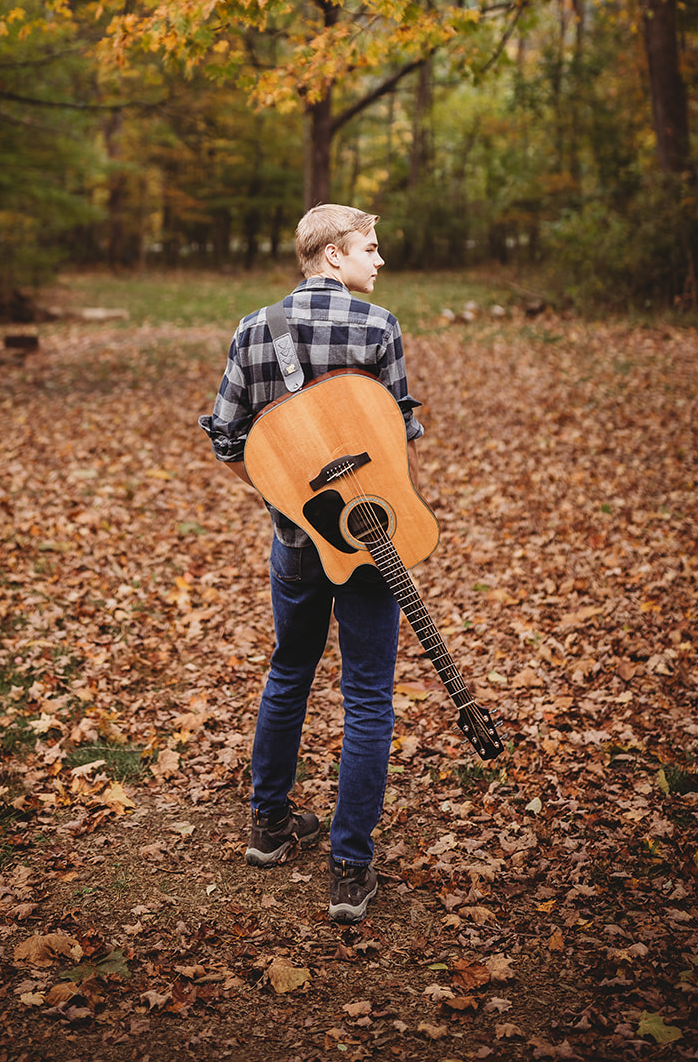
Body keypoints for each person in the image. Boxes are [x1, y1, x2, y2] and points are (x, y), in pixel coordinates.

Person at [199, 204, 424, 923]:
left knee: (290, 671)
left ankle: (268, 829)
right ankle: (349, 869)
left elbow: (228, 441)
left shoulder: (251, 329)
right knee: (366, 698)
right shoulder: (376, 327)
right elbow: (400, 435)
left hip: (295, 544)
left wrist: (293, 503)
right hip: (369, 547)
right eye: (369, 247)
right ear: (331, 255)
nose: (377, 260)